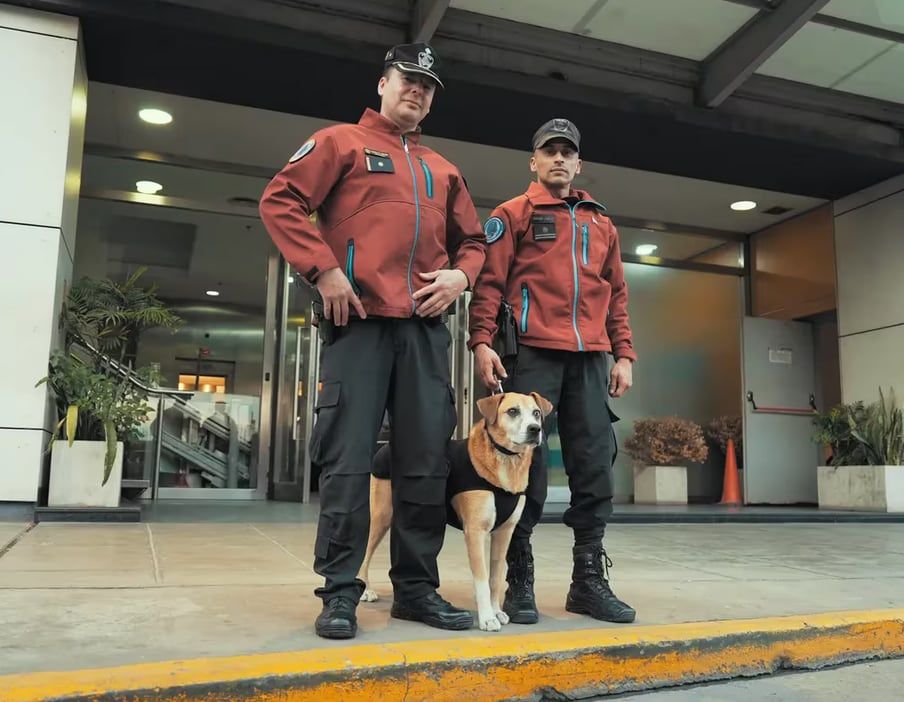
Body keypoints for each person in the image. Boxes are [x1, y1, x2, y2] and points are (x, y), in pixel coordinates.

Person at [259, 42, 485, 639]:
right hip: (358, 323)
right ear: (383, 83)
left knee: (425, 464)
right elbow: (280, 200)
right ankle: (339, 592)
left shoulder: (444, 169)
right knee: (346, 460)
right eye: (407, 79)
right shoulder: (339, 143)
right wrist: (323, 270)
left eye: (427, 86)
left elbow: (474, 242)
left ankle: (416, 590)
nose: (417, 90)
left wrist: (461, 277)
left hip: (425, 334)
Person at [467, 118, 637, 625]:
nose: (559, 158)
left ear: (579, 164)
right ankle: (518, 578)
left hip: (589, 358)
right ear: (534, 161)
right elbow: (489, 283)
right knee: (527, 467)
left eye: (567, 152)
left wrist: (624, 354)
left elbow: (617, 294)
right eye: (549, 151)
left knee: (594, 463)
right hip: (532, 354)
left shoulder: (602, 224)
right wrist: (481, 342)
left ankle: (587, 581)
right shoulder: (512, 214)